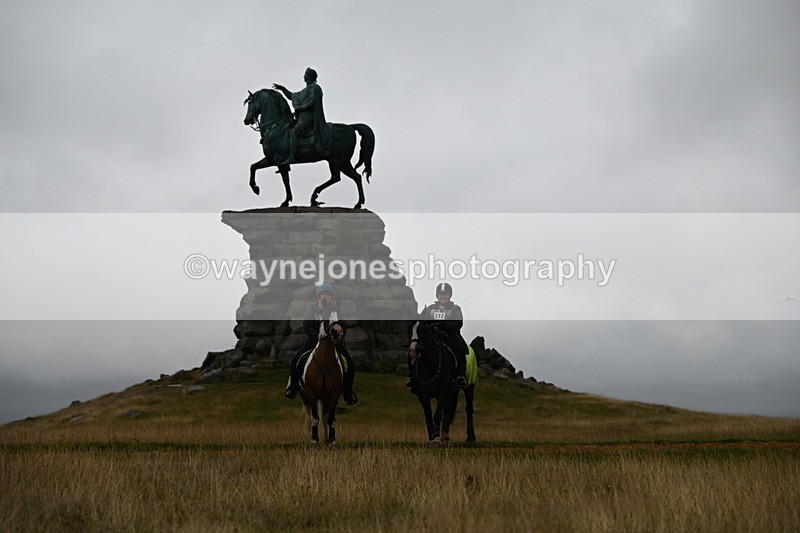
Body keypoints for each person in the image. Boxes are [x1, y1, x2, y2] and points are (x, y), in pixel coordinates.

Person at [284, 283, 358, 405]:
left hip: (333, 344)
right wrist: (318, 338)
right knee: (296, 360)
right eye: (323, 294)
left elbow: (343, 327)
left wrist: (338, 338)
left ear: (331, 297)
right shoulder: (312, 310)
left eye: (328, 294)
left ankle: (348, 393)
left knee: (349, 364)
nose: (326, 297)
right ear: (319, 296)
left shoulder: (335, 311)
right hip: (314, 342)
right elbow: (307, 326)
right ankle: (293, 387)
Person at [408, 282, 469, 389]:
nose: (443, 296)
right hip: (432, 336)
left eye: (445, 294)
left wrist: (444, 325)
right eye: (441, 294)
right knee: (414, 350)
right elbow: (423, 322)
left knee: (460, 349)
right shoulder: (430, 308)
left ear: (450, 296)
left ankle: (460, 375)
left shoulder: (455, 309)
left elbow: (458, 323)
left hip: (449, 336)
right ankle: (413, 377)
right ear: (437, 296)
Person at [272, 67, 332, 165]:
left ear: (309, 77)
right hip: (302, 118)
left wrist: (300, 108)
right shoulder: (305, 90)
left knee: (294, 132)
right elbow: (292, 96)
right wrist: (282, 89)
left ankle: (291, 157)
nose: (303, 76)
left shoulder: (315, 88)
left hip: (309, 118)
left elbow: (312, 103)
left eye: (305, 74)